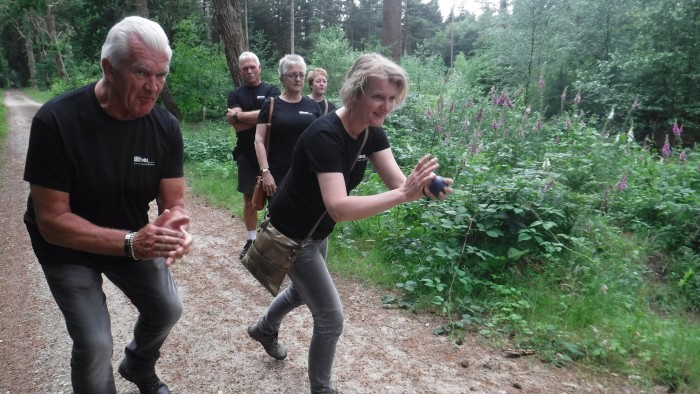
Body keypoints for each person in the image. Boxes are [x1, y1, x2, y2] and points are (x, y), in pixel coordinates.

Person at [246, 53, 453, 393]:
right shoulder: (325, 135)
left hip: (317, 228)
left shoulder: (372, 132)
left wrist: (427, 185)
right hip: (292, 233)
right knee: (330, 318)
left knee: (301, 291)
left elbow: (397, 183)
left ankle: (264, 328)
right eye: (378, 97)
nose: (385, 106)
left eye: (391, 98)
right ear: (356, 93)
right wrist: (405, 193)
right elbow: (340, 207)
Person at [23, 16, 192, 394]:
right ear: (109, 69)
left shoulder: (164, 127)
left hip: (131, 236)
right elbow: (52, 221)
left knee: (167, 309)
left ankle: (137, 364)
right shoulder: (56, 121)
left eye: (161, 75)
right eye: (142, 73)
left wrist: (176, 227)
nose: (154, 87)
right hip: (66, 247)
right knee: (95, 343)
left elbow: (174, 202)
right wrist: (131, 242)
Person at [226, 52, 281, 259]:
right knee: (249, 199)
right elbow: (236, 125)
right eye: (245, 68)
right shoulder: (235, 94)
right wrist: (259, 115)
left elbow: (271, 117)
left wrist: (240, 116)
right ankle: (250, 241)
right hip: (246, 155)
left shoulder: (272, 90)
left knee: (275, 200)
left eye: (252, 67)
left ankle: (272, 242)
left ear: (259, 68)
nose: (249, 71)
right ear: (240, 71)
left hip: (272, 154)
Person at [254, 54, 322, 200]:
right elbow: (259, 140)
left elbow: (321, 139)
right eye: (292, 75)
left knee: (306, 219)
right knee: (279, 219)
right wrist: (265, 171)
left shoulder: (313, 105)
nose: (298, 79)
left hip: (308, 173)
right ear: (282, 78)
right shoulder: (271, 104)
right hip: (278, 174)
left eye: (301, 75)